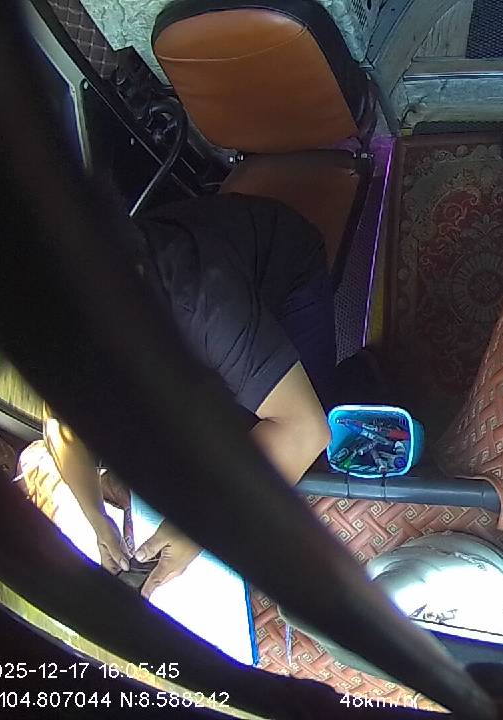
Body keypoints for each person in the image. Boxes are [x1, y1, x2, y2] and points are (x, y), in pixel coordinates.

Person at [46, 193, 335, 598]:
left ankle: (374, 369)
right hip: (207, 278)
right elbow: (60, 425)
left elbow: (305, 431)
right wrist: (96, 517)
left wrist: (201, 531)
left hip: (286, 270)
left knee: (294, 444)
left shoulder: (201, 301)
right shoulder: (70, 323)